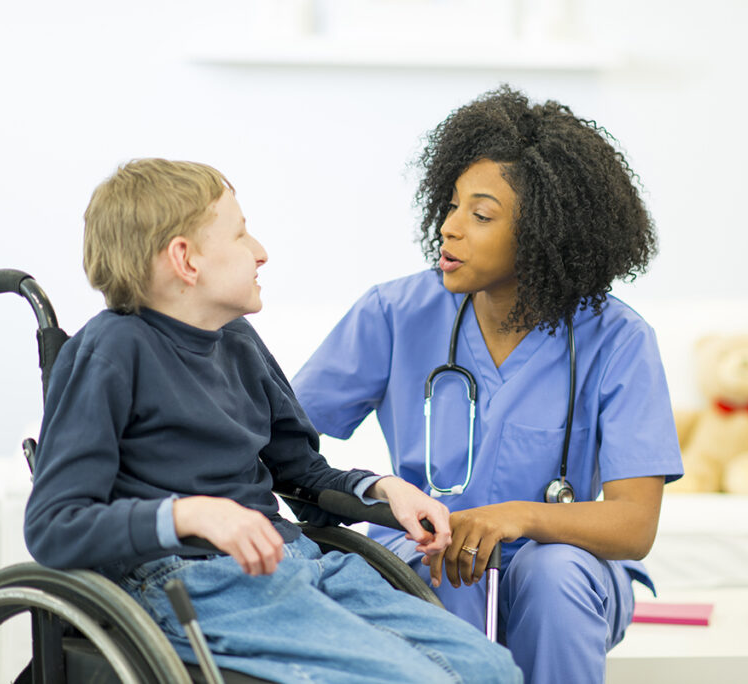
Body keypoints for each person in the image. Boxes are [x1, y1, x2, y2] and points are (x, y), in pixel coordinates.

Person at [23, 158, 522, 684]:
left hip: (296, 560)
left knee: (492, 669)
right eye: (240, 234)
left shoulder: (237, 340)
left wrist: (382, 489)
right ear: (185, 260)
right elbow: (54, 525)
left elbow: (300, 474)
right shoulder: (110, 352)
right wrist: (192, 515)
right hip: (194, 581)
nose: (260, 251)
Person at [292, 86, 684, 683]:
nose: (448, 229)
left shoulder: (619, 340)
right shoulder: (395, 313)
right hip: (427, 553)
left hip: (563, 568)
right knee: (451, 563)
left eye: (480, 215)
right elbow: (280, 436)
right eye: (451, 206)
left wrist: (515, 518)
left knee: (555, 576)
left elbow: (634, 525)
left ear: (545, 231)